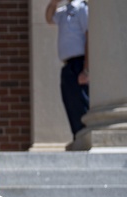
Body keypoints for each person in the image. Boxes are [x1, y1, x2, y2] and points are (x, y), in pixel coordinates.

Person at [46, 0, 90, 139]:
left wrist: (86, 70)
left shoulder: (81, 8)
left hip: (80, 64)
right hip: (68, 66)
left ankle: (85, 137)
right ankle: (78, 137)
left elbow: (89, 37)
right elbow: (49, 18)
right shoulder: (65, 11)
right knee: (70, 104)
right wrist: (54, 3)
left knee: (82, 103)